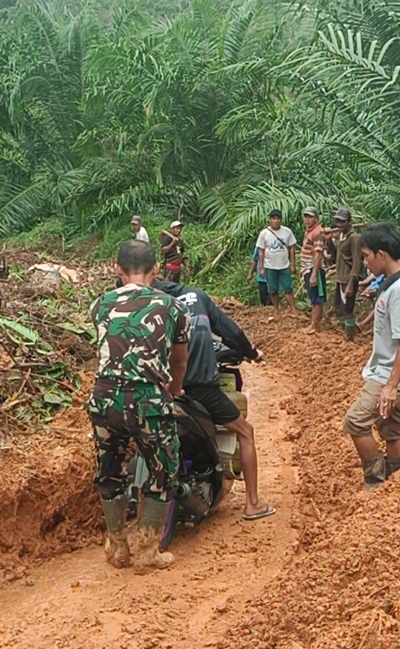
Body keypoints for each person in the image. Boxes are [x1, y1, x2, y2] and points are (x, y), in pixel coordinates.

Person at [88, 240, 190, 571]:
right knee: (162, 473)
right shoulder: (173, 307)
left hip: (105, 399)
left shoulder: (99, 305)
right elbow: (178, 360)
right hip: (148, 400)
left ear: (117, 269)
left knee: (109, 472)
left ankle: (118, 547)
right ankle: (148, 551)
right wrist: (173, 392)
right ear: (156, 269)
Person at [155, 280, 275, 522]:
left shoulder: (144, 303)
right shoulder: (196, 296)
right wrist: (252, 353)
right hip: (200, 389)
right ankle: (252, 503)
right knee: (245, 432)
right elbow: (229, 331)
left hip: (156, 389)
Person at [341, 223, 400, 490]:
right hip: (394, 373)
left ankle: (376, 478)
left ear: (382, 254)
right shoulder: (399, 281)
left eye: (366, 256)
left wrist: (390, 386)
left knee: (355, 421)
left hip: (390, 375)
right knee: (391, 428)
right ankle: (399, 477)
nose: (365, 262)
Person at [330, 208, 362, 340]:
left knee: (348, 310)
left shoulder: (354, 238)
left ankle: (350, 337)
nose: (339, 224)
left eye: (342, 222)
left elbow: (357, 261)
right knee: (338, 308)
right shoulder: (341, 236)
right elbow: (336, 255)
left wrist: (351, 283)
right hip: (340, 278)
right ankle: (346, 331)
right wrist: (328, 241)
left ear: (349, 222)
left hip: (348, 279)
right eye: (337, 221)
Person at [255, 209, 297, 310]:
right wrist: (261, 267)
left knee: (288, 288)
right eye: (273, 219)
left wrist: (293, 264)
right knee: (273, 290)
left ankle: (293, 309)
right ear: (270, 220)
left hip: (284, 265)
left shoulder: (287, 232)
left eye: (278, 219)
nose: (276, 221)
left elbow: (292, 248)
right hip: (270, 266)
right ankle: (276, 309)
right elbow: (261, 251)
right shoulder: (264, 233)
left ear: (281, 220)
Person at [300, 207, 328, 333]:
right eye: (305, 216)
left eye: (310, 217)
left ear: (316, 219)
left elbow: (318, 255)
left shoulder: (317, 233)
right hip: (308, 267)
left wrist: (314, 275)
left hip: (313, 268)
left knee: (316, 298)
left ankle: (314, 325)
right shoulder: (310, 231)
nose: (307, 219)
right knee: (315, 297)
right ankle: (316, 324)